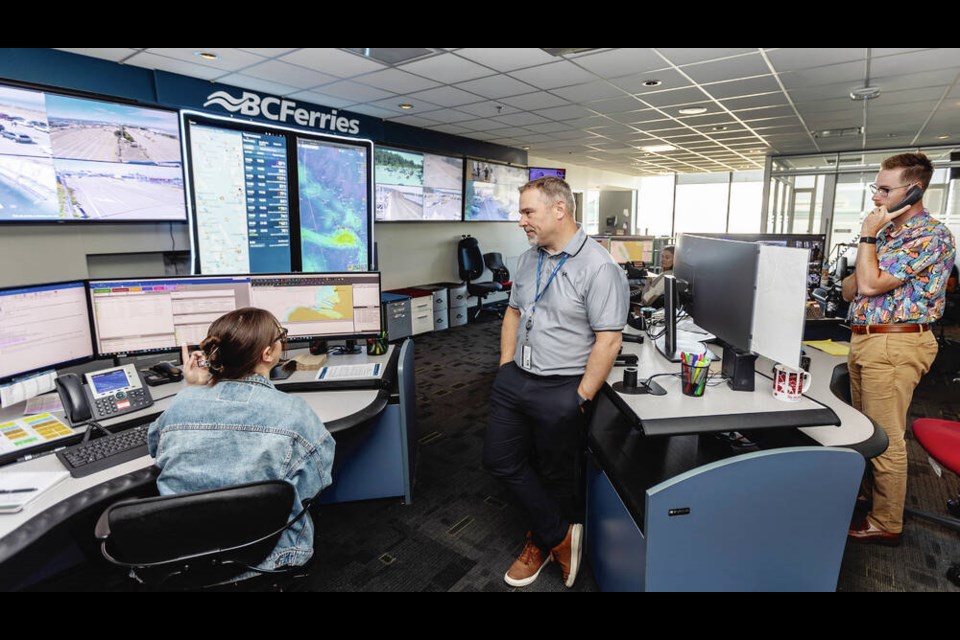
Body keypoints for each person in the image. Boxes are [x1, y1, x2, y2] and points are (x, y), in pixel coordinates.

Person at [483, 176, 629, 588]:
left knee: (555, 472)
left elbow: (609, 339)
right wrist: (505, 365)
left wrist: (580, 396)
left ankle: (539, 541)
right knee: (500, 459)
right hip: (516, 379)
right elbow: (513, 312)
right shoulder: (528, 258)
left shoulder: (599, 267)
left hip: (562, 387)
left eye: (528, 212)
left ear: (559, 210)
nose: (521, 221)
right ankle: (559, 535)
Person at [147, 307, 335, 574]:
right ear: (268, 354)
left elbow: (155, 449)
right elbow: (318, 479)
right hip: (271, 556)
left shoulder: (181, 403)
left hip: (185, 558)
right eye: (281, 337)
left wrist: (194, 390)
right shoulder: (294, 411)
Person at [841, 152, 955, 545]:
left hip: (897, 341)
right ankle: (871, 497)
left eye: (885, 190)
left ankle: (886, 522)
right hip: (866, 336)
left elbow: (869, 286)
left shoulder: (931, 236)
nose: (876, 198)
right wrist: (870, 241)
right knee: (864, 429)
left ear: (914, 191)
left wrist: (868, 237)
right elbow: (849, 289)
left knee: (885, 435)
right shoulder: (889, 233)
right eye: (877, 188)